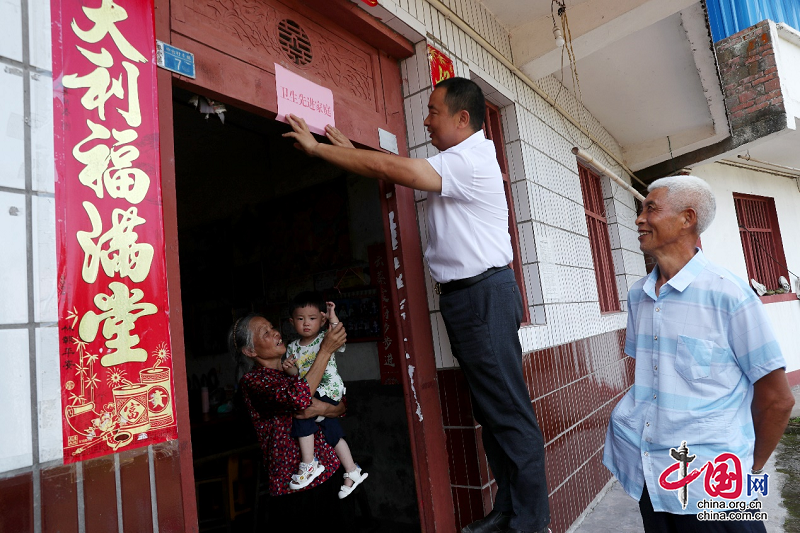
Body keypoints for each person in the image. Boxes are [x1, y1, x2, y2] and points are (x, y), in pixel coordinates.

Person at [283, 76, 550, 533]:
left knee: (507, 411)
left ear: (462, 118)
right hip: (470, 299)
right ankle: (509, 511)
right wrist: (354, 150)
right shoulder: (457, 160)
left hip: (483, 296)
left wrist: (320, 150)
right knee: (490, 412)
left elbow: (403, 172)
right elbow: (401, 166)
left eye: (433, 112)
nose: (425, 120)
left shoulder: (469, 160)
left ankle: (531, 523)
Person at [603, 175, 795, 532]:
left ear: (687, 218)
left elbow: (777, 400)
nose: (639, 218)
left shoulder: (730, 295)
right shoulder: (638, 296)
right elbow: (651, 380)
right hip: (651, 477)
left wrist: (748, 472)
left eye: (651, 208)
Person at [230, 312, 351, 529]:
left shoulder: (296, 369)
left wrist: (324, 407)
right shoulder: (255, 382)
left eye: (271, 327)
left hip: (329, 471)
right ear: (250, 351)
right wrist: (324, 350)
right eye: (265, 332)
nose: (275, 332)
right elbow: (299, 398)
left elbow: (341, 405)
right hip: (294, 486)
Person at [282, 292, 368, 498]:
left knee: (303, 412)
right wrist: (289, 369)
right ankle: (352, 470)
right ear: (291, 321)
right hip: (310, 389)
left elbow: (338, 333)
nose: (306, 324)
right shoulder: (292, 347)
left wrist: (332, 316)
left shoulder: (324, 338)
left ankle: (309, 463)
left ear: (321, 320)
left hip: (328, 389)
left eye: (312, 319)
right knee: (332, 430)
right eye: (300, 319)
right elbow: (298, 374)